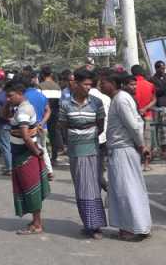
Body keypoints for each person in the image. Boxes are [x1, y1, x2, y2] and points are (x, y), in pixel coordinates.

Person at [99, 70, 152, 241]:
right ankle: (138, 225)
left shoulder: (121, 99)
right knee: (129, 188)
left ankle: (132, 227)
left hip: (123, 150)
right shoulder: (120, 98)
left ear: (113, 84)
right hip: (122, 149)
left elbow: (134, 125)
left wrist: (142, 145)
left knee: (125, 189)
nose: (101, 85)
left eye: (104, 82)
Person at [58, 69, 107, 239]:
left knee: (93, 187)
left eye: (90, 84)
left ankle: (96, 225)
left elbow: (100, 125)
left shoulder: (96, 102)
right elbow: (62, 126)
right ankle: (89, 224)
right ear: (76, 84)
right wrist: (75, 135)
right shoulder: (65, 104)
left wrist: (86, 133)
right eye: (85, 84)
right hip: (75, 151)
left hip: (93, 149)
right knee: (81, 187)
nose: (88, 87)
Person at [4, 81, 50, 235]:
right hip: (22, 153)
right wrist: (8, 104)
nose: (8, 98)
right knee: (29, 188)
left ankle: (37, 224)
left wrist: (36, 152)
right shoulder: (19, 108)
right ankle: (36, 221)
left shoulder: (23, 110)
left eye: (10, 96)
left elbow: (24, 135)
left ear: (19, 93)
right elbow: (5, 116)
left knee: (31, 189)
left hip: (26, 154)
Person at [22, 74, 53, 179]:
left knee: (31, 150)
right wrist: (42, 123)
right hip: (42, 127)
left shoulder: (24, 97)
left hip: (30, 128)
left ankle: (36, 172)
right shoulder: (41, 95)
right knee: (43, 148)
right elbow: (48, 111)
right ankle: (49, 171)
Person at [131, 65, 156, 171]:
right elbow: (154, 100)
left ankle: (135, 164)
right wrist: (145, 109)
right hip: (147, 115)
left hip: (133, 116)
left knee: (134, 140)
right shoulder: (150, 85)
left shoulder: (131, 85)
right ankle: (146, 165)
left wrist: (139, 110)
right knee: (147, 140)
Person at [39, 66, 63, 167]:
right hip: (55, 113)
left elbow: (40, 102)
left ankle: (45, 156)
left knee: (43, 135)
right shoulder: (57, 86)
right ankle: (54, 157)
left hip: (44, 113)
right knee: (53, 134)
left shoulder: (40, 86)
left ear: (42, 75)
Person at [0, 80, 12, 175]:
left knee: (5, 146)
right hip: (12, 123)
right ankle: (11, 165)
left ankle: (9, 168)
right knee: (10, 145)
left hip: (3, 124)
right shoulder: (8, 95)